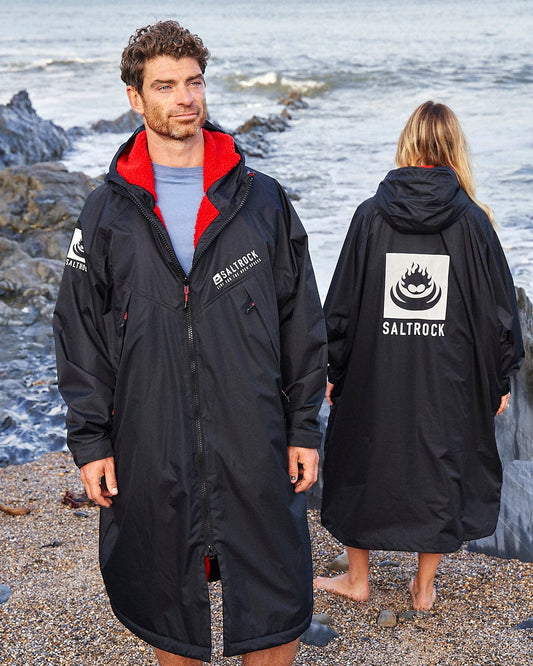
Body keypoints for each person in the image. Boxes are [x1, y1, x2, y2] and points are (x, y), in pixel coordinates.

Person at [53, 20, 327, 665]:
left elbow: (301, 319)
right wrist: (91, 441)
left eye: (194, 82)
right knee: (167, 601)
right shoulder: (107, 210)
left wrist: (304, 428)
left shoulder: (260, 199)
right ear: (134, 97)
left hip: (254, 429)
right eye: (166, 85)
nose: (185, 98)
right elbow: (81, 334)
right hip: (150, 437)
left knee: (277, 593)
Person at [314, 101, 524, 611]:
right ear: (455, 148)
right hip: (450, 376)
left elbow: (339, 304)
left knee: (359, 453)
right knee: (443, 461)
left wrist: (331, 369)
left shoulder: (369, 215)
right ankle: (423, 588)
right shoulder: (473, 222)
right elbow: (501, 313)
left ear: (408, 144)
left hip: (374, 370)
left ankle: (358, 578)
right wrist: (499, 380)